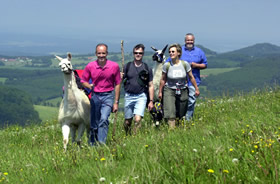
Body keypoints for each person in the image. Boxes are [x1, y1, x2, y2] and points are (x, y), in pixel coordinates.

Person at [81, 43, 121, 145]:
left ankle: (101, 144)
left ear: (107, 53)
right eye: (99, 53)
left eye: (103, 53)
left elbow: (118, 84)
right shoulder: (90, 66)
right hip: (95, 96)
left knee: (103, 119)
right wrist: (89, 86)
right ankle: (92, 144)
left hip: (108, 95)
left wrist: (116, 102)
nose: (101, 55)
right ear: (96, 54)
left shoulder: (114, 66)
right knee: (94, 123)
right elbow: (83, 81)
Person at [166, 33, 207, 121]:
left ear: (194, 41)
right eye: (188, 40)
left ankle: (188, 120)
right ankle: (179, 118)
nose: (189, 42)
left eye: (191, 40)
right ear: (185, 41)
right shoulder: (179, 50)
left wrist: (196, 65)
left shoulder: (199, 51)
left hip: (193, 81)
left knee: (191, 101)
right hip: (178, 82)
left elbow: (205, 65)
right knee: (180, 102)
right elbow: (168, 62)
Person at [158, 43, 199, 128]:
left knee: (181, 113)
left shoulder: (185, 64)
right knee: (170, 113)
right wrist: (160, 92)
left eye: (173, 51)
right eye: (170, 52)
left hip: (183, 90)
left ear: (178, 53)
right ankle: (171, 132)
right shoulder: (167, 65)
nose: (171, 53)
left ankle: (180, 129)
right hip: (169, 90)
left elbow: (191, 77)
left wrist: (196, 88)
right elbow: (163, 79)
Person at [122, 44, 154, 135]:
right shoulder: (127, 66)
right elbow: (119, 81)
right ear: (133, 54)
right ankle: (127, 134)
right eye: (136, 53)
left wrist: (151, 101)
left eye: (140, 53)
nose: (138, 54)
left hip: (141, 96)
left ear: (143, 54)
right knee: (128, 121)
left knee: (137, 119)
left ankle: (135, 138)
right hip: (129, 96)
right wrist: (120, 77)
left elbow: (151, 85)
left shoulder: (147, 68)